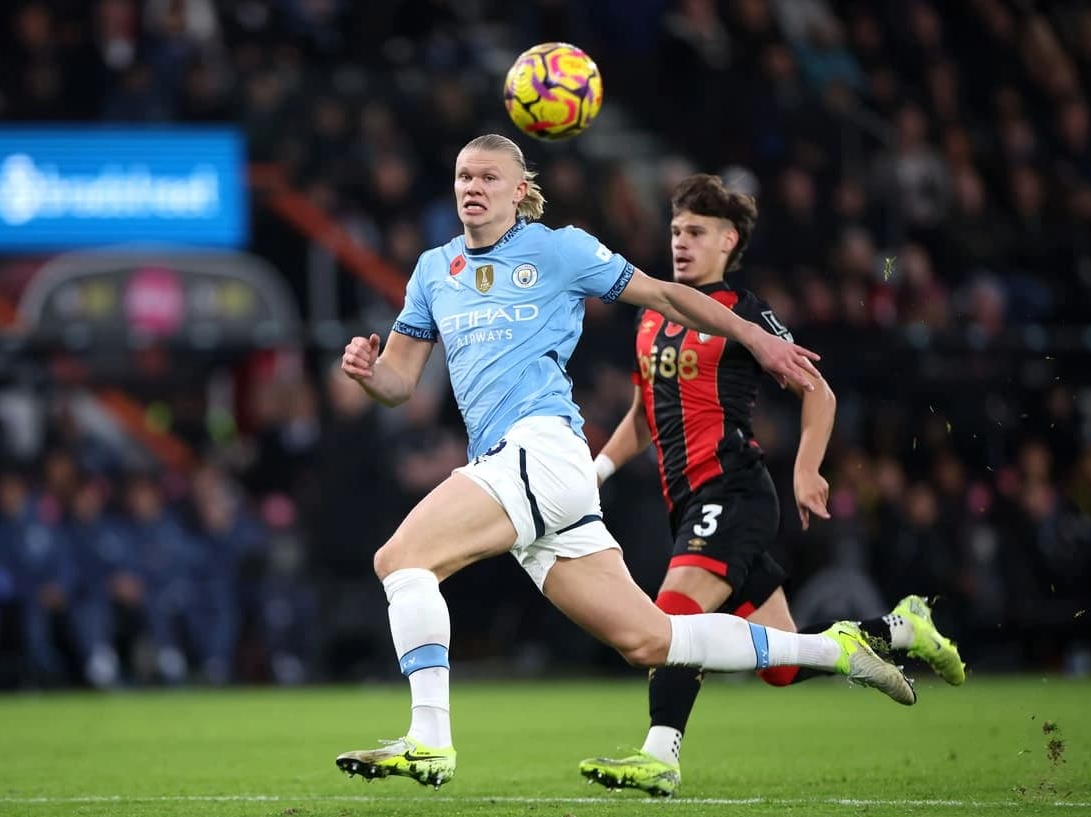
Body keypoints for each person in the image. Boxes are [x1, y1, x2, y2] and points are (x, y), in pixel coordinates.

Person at [334, 134, 915, 791]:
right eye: (464, 175)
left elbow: (666, 296)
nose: (473, 187)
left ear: (520, 191)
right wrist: (367, 373)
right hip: (531, 473)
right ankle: (836, 649)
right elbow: (399, 383)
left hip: (540, 448)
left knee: (401, 559)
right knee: (650, 639)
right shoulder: (433, 270)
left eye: (490, 177)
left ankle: (429, 739)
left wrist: (752, 333)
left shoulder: (560, 249)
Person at [577, 174, 966, 797]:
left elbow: (819, 391)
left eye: (696, 232)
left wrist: (807, 467)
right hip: (690, 505)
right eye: (676, 230)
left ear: (728, 240)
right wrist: (595, 471)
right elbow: (642, 414)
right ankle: (901, 629)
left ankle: (661, 756)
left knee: (670, 618)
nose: (680, 242)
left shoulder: (744, 313)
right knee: (783, 663)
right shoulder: (652, 314)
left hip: (732, 491)